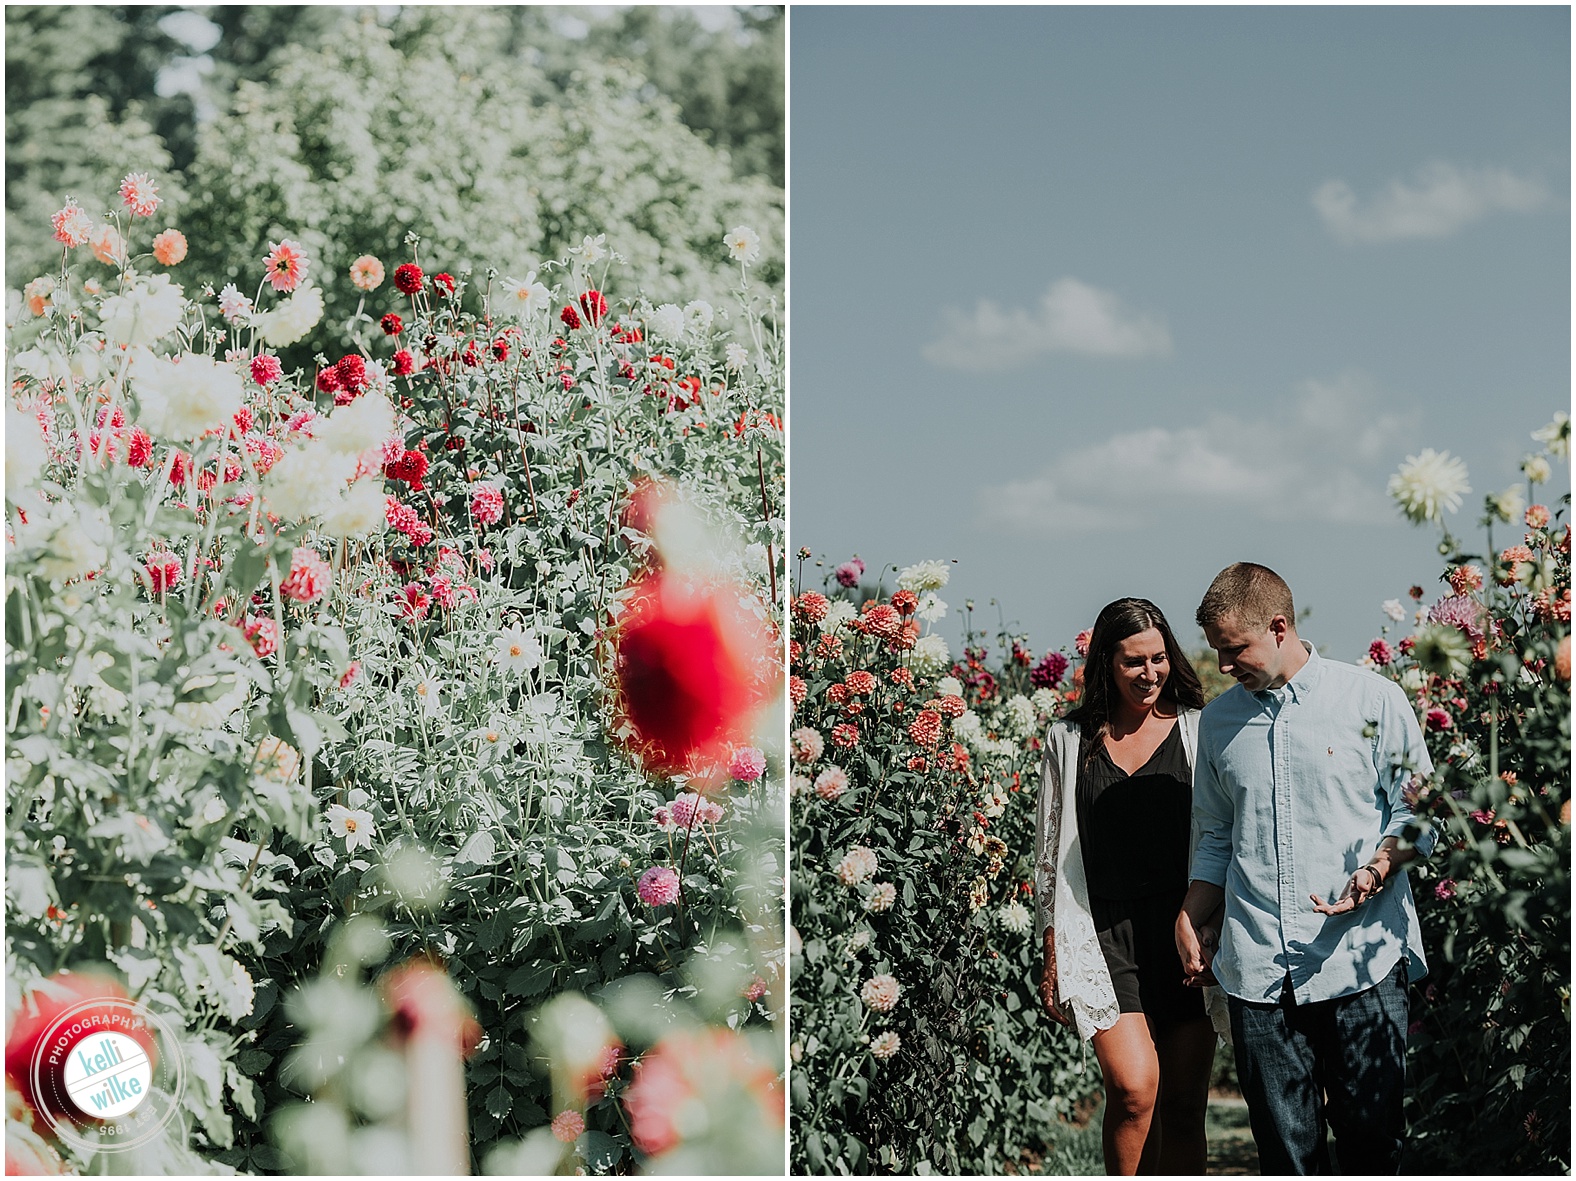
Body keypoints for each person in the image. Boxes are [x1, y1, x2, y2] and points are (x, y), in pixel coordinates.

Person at [1176, 562, 1436, 1175]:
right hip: (1259, 965)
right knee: (1286, 1155)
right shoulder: (1217, 724)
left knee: (1372, 1145)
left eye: (1234, 649)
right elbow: (1215, 835)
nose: (1223, 665)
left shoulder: (1371, 700)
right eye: (1218, 651)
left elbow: (1422, 816)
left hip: (1361, 958)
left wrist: (1375, 869)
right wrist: (1191, 914)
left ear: (1279, 627)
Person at [1033, 598, 1224, 1175]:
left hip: (1185, 931)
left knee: (1186, 1107)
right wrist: (1051, 951)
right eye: (1134, 662)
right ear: (1106, 666)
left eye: (1160, 658)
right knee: (1136, 1093)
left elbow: (1223, 832)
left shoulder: (1200, 729)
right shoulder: (1068, 741)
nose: (1150, 674)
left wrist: (1212, 923)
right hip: (1103, 933)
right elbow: (1047, 855)